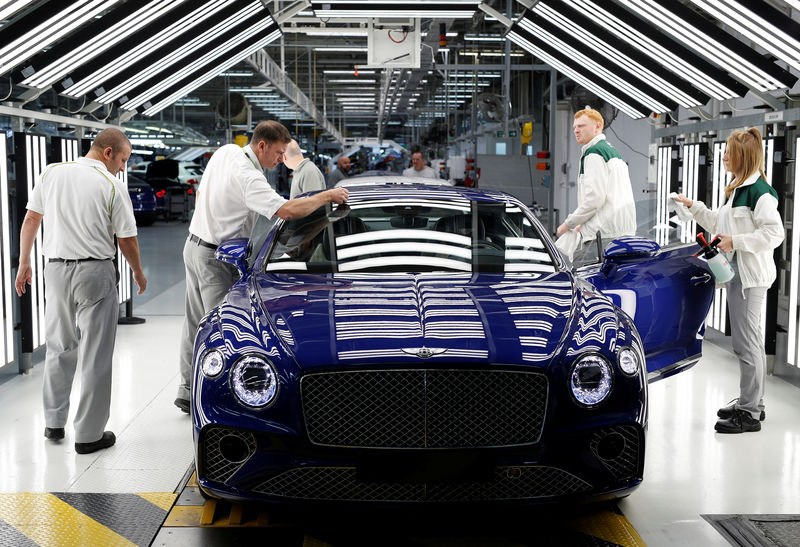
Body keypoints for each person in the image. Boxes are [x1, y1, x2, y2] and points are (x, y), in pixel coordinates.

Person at [177, 121, 349, 413]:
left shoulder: (227, 151)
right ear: (262, 146)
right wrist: (327, 196)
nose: (281, 159)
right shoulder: (249, 177)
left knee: (194, 322)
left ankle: (185, 389)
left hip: (193, 246)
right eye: (279, 153)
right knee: (222, 332)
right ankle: (218, 404)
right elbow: (287, 210)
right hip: (216, 258)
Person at [15, 128, 147, 454]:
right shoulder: (112, 185)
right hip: (95, 272)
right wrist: (138, 271)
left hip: (56, 270)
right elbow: (126, 239)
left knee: (59, 345)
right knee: (95, 354)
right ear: (107, 153)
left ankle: (53, 422)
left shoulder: (52, 173)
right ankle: (88, 435)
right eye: (122, 160)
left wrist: (24, 263)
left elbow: (31, 218)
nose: (122, 168)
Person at [673, 128, 783, 434]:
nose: (724, 156)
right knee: (749, 342)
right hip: (738, 277)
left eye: (729, 152)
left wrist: (736, 240)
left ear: (743, 156)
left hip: (750, 279)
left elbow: (775, 233)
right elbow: (716, 224)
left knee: (747, 344)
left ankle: (749, 411)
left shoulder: (760, 192)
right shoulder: (736, 188)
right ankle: (752, 401)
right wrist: (693, 205)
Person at [556, 108, 636, 263]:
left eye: (581, 126)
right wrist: (583, 225)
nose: (576, 131)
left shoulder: (594, 153)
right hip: (623, 234)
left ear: (598, 126)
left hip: (602, 238)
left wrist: (568, 224)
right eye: (574, 127)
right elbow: (610, 198)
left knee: (582, 279)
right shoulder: (614, 153)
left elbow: (594, 200)